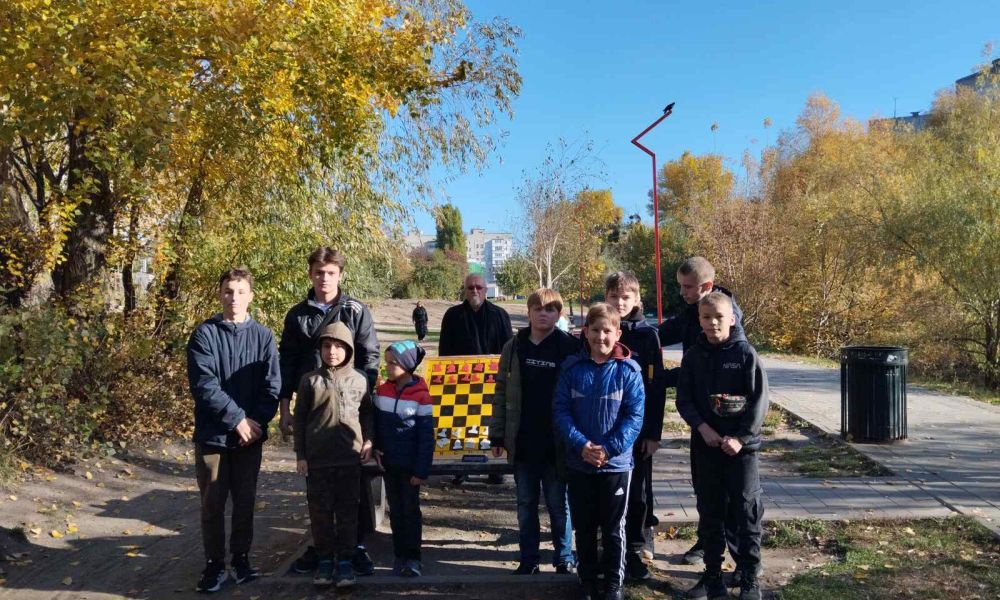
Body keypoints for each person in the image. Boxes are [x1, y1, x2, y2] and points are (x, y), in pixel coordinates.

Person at [278, 247, 380, 576]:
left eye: (331, 272)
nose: (325, 278)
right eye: (319, 272)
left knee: (355, 486)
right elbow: (287, 361)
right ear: (311, 274)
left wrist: (361, 393)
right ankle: (322, 549)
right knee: (318, 488)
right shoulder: (297, 314)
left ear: (340, 275)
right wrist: (285, 406)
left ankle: (356, 546)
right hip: (314, 406)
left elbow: (370, 355)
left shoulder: (355, 310)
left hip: (350, 408)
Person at [187, 267, 280, 593]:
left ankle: (241, 559)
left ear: (251, 296)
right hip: (214, 435)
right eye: (228, 291)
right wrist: (237, 420)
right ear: (220, 294)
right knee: (212, 503)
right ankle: (215, 565)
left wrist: (255, 423)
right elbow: (204, 384)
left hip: (250, 438)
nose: (234, 298)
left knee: (245, 501)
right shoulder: (205, 334)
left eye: (240, 292)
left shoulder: (264, 336)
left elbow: (272, 386)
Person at [676, 292, 768, 600]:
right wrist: (702, 428)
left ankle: (749, 577)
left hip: (743, 451)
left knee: (747, 511)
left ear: (732, 318)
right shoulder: (693, 356)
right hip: (706, 447)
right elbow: (684, 399)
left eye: (719, 317)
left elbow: (759, 402)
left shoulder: (745, 354)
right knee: (710, 511)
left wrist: (741, 438)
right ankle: (713, 576)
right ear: (699, 320)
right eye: (706, 317)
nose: (712, 323)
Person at [658, 256, 745, 569]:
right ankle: (708, 545)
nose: (682, 292)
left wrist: (667, 378)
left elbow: (719, 371)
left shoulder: (724, 317)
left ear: (706, 286)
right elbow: (664, 334)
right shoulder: (692, 311)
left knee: (731, 494)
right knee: (705, 489)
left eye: (688, 287)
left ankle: (742, 561)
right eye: (680, 286)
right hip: (700, 419)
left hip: (728, 422)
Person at [554, 303, 645, 600]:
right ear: (585, 332)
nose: (601, 337)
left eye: (607, 331)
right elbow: (561, 411)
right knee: (584, 526)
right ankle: (587, 581)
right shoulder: (572, 369)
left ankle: (613, 585)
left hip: (615, 465)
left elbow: (634, 418)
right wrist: (581, 445)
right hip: (580, 463)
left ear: (617, 333)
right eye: (595, 330)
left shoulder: (629, 371)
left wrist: (607, 449)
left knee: (613, 529)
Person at [488, 288, 581, 575]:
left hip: (557, 442)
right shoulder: (514, 346)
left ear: (559, 314)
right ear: (528, 312)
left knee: (558, 504)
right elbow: (501, 391)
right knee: (525, 504)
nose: (543, 313)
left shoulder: (569, 347)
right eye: (538, 308)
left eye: (551, 309)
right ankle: (529, 559)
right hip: (523, 441)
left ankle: (564, 557)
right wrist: (497, 433)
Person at [293, 323, 373, 588]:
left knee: (349, 511)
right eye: (327, 346)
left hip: (350, 459)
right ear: (320, 349)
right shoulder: (309, 381)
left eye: (339, 346)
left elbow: (367, 414)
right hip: (318, 461)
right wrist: (301, 455)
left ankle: (346, 562)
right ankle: (325, 560)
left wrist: (369, 441)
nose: (332, 351)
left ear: (348, 349)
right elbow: (301, 420)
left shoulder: (360, 379)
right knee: (320, 512)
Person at [604, 272, 666, 580]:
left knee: (639, 489)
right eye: (614, 297)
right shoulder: (598, 328)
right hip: (604, 426)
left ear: (637, 300)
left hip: (639, 429)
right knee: (607, 489)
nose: (619, 302)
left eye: (625, 297)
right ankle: (608, 544)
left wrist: (654, 432)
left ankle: (639, 542)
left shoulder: (648, 335)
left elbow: (656, 387)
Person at [439, 272, 513, 484]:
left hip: (492, 381)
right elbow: (444, 350)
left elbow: (508, 349)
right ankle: (460, 467)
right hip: (461, 382)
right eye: (470, 287)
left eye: (478, 287)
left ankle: (495, 467)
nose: (474, 291)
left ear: (486, 290)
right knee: (461, 423)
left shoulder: (500, 315)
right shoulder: (452, 315)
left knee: (492, 423)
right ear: (465, 289)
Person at [373, 341, 434, 577]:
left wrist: (421, 470)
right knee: (396, 512)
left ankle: (413, 557)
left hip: (410, 467)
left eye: (393, 363)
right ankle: (399, 555)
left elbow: (426, 436)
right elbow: (377, 424)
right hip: (389, 464)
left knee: (410, 512)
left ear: (407, 365)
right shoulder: (382, 390)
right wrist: (377, 447)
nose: (387, 367)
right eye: (386, 361)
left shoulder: (421, 396)